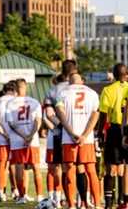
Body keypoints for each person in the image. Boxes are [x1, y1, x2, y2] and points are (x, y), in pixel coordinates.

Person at [55, 73, 101, 209]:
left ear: (69, 81)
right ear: (81, 81)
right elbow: (95, 115)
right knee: (91, 170)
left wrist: (70, 132)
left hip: (69, 137)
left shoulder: (62, 93)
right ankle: (97, 204)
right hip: (87, 139)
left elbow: (60, 113)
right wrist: (85, 135)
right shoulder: (92, 93)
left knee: (69, 169)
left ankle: (71, 205)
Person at [97, 63, 128, 209]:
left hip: (114, 129)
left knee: (110, 167)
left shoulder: (107, 90)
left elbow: (103, 113)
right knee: (126, 167)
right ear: (126, 74)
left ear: (113, 74)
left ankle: (108, 203)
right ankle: (123, 201)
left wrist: (100, 132)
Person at [44, 60, 78, 207]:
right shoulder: (79, 88)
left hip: (59, 133)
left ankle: (59, 198)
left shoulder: (53, 90)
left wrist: (62, 126)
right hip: (79, 132)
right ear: (74, 71)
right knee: (77, 167)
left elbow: (49, 113)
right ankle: (78, 198)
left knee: (59, 167)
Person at [6, 79, 44, 204]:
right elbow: (38, 121)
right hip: (33, 141)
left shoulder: (10, 103)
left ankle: (22, 196)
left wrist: (23, 136)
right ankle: (39, 196)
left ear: (15, 89)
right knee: (36, 168)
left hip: (17, 140)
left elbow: (11, 124)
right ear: (25, 87)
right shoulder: (34, 102)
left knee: (19, 167)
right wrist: (30, 136)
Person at [0, 81, 17, 202]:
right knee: (16, 164)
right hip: (17, 137)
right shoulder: (16, 101)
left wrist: (3, 133)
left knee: (1, 165)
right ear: (14, 90)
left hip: (2, 138)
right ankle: (17, 191)